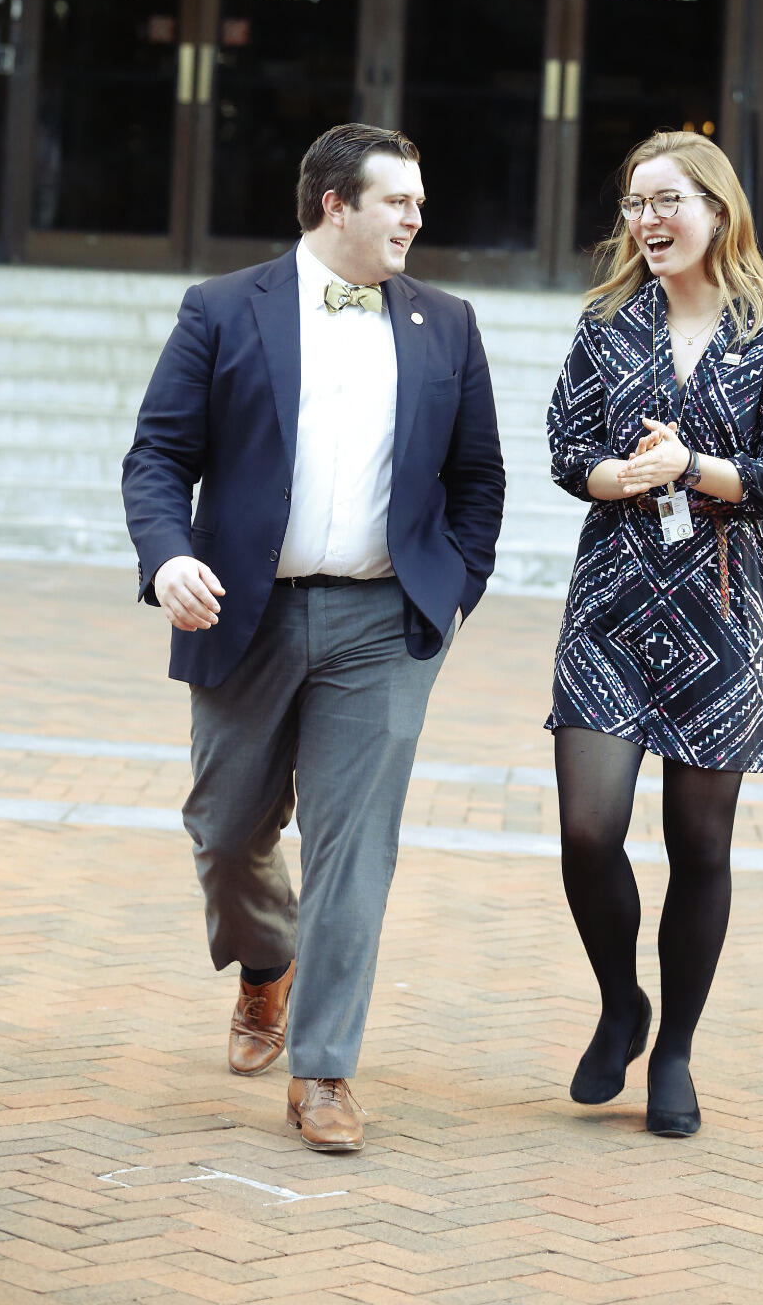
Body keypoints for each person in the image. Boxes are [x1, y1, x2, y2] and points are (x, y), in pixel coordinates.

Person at [123, 124, 504, 1153]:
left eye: (420, 202)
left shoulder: (447, 324)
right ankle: (265, 963)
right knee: (225, 829)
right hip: (243, 614)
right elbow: (159, 454)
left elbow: (478, 480)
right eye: (398, 202)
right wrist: (167, 561)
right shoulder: (221, 310)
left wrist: (452, 590)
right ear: (334, 205)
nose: (417, 218)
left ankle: (325, 1068)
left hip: (384, 623)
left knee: (355, 849)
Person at [546, 129, 763, 1137]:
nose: (647, 222)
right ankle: (623, 1003)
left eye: (666, 201)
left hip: (719, 612)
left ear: (716, 209)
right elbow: (564, 444)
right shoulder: (609, 325)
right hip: (613, 603)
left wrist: (693, 468)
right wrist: (608, 477)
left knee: (700, 845)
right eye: (633, 205)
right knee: (588, 830)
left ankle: (676, 1052)